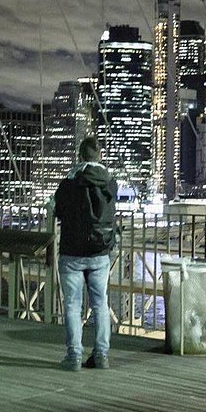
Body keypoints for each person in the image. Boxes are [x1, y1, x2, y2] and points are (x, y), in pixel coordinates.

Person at [54, 136, 118, 371]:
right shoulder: (110, 183)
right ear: (100, 156)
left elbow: (58, 210)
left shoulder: (69, 182)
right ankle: (101, 355)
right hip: (100, 251)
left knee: (73, 304)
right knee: (100, 304)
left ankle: (74, 356)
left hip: (72, 251)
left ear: (80, 156)